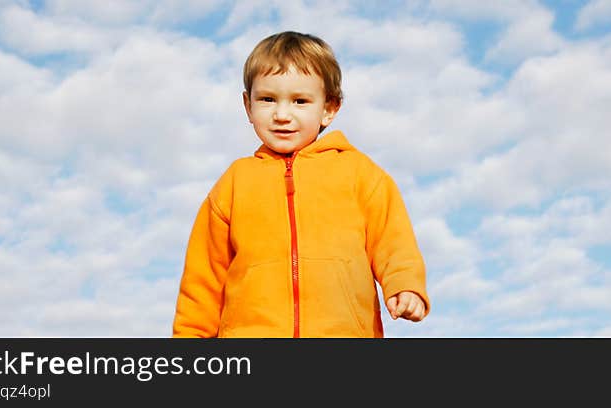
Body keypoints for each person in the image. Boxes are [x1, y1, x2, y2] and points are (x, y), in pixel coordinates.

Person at [172, 31, 430, 338]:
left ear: (328, 108)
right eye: (267, 99)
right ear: (248, 105)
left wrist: (405, 284)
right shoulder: (234, 183)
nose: (282, 114)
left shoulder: (360, 173)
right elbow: (203, 278)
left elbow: (393, 240)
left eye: (300, 101)